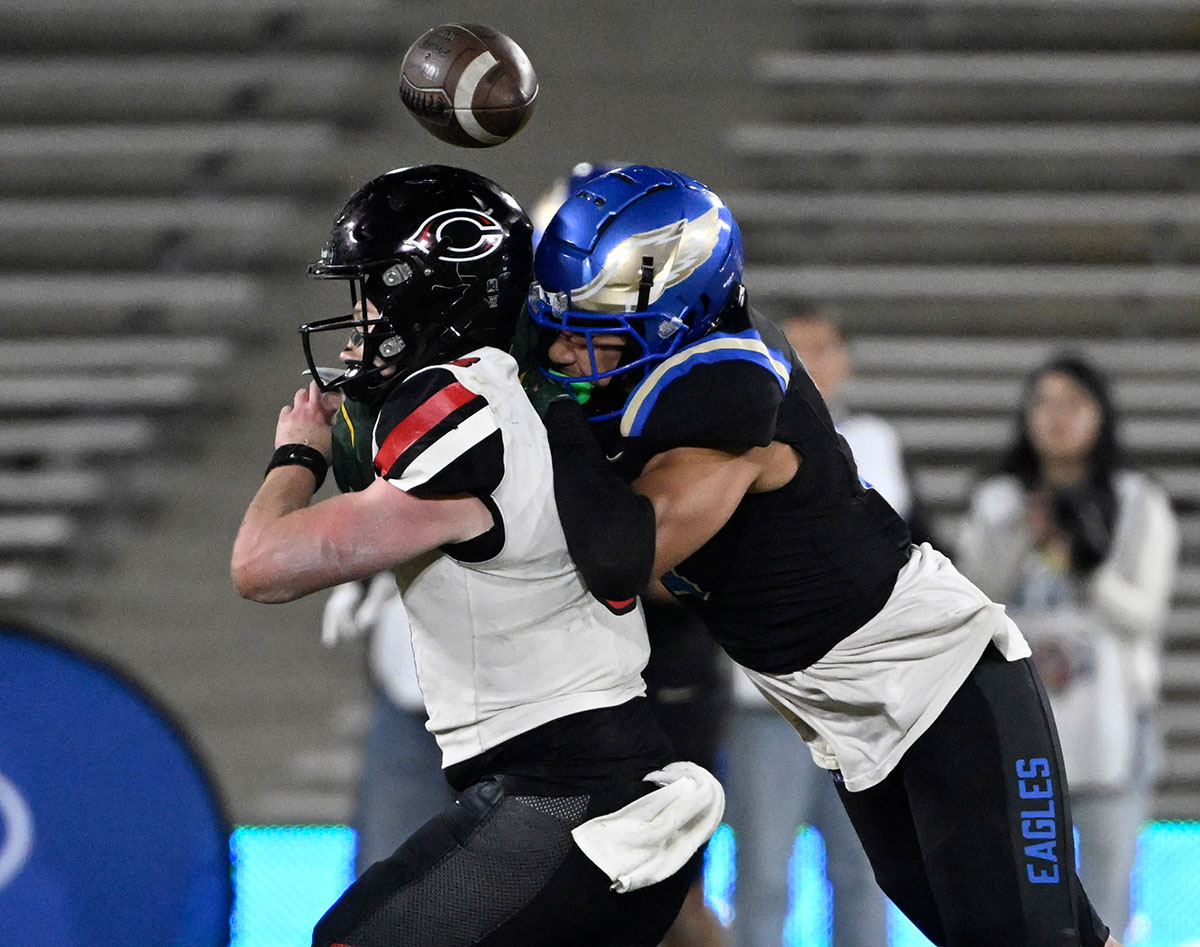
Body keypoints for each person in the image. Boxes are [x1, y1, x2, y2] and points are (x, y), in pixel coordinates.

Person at [519, 163, 1122, 947]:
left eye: (589, 329)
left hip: (941, 686)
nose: (563, 351)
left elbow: (620, 559)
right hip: (851, 718)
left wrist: (547, 409)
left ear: (675, 313)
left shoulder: (728, 381)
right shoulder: (662, 366)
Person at [230, 164, 724, 947]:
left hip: (568, 797)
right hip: (581, 784)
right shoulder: (511, 397)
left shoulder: (464, 417)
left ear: (437, 295)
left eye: (371, 291)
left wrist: (296, 455)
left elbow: (261, 564)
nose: (357, 317)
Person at [531, 159, 732, 947]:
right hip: (568, 675)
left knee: (669, 899)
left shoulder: (699, 396)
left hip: (663, 666)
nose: (568, 337)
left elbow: (678, 575)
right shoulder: (566, 372)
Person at [955, 353, 1180, 941]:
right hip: (1016, 718)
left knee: (1107, 886)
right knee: (1016, 886)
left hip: (1113, 720)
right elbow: (968, 601)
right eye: (1044, 403)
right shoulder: (996, 498)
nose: (1057, 418)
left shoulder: (1138, 500)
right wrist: (1021, 536)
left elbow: (1146, 614)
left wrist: (1084, 563)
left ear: (1100, 414)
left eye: (1073, 404)